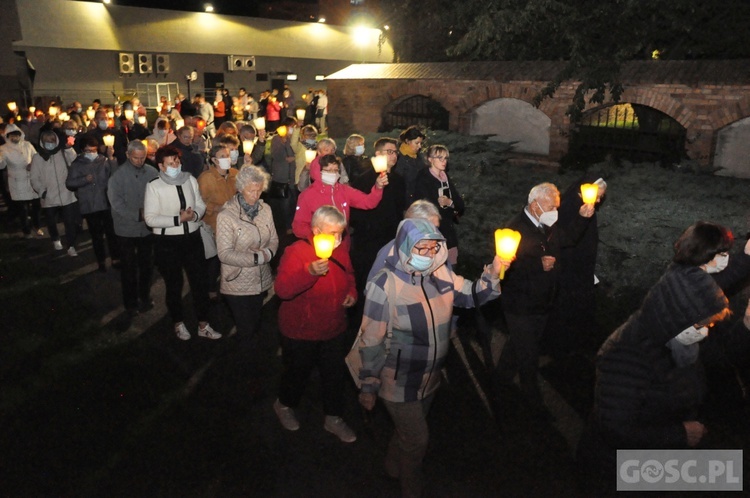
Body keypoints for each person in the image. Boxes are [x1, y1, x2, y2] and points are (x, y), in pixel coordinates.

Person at [354, 218, 509, 498]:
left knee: (406, 433)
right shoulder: (385, 284)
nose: (427, 254)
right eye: (419, 248)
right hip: (397, 381)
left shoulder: (442, 275)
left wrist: (494, 272)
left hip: (430, 378)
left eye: (432, 248)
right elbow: (371, 339)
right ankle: (411, 490)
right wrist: (368, 384)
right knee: (417, 440)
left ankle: (391, 467)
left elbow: (473, 295)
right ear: (404, 247)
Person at [576, 264, 735, 491]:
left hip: (657, 455)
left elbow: (721, 358)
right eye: (701, 324)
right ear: (677, 317)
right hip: (617, 468)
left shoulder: (679, 340)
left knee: (725, 475)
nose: (706, 331)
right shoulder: (625, 356)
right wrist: (681, 434)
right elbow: (614, 427)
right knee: (724, 475)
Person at [493, 182, 594, 415]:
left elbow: (567, 239)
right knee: (529, 356)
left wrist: (582, 217)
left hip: (542, 302)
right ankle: (534, 404)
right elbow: (505, 269)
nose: (554, 212)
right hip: (520, 305)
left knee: (518, 346)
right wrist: (537, 265)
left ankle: (499, 381)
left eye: (556, 207)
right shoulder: (515, 229)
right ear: (535, 205)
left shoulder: (547, 224)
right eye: (550, 207)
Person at [273, 206, 358, 443]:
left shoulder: (340, 251)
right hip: (301, 331)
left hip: (333, 327)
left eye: (341, 233)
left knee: (334, 375)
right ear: (316, 230)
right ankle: (284, 404)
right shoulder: (296, 252)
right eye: (333, 233)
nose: (338, 238)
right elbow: (282, 290)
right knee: (296, 373)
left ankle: (333, 417)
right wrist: (308, 272)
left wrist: (352, 293)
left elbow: (349, 275)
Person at [143, 145, 221, 341]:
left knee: (199, 283)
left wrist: (194, 215)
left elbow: (200, 204)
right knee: (174, 284)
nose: (176, 165)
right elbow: (150, 219)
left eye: (177, 161)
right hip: (168, 242)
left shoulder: (190, 180)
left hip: (192, 239)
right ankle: (178, 322)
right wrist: (178, 220)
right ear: (161, 166)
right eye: (171, 163)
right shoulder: (154, 186)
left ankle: (203, 324)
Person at [216, 166, 278, 379]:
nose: (256, 195)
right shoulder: (227, 215)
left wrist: (267, 253)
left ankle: (251, 363)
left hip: (260, 280)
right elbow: (224, 254)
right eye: (252, 190)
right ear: (241, 188)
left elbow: (274, 239)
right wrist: (256, 258)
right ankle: (248, 373)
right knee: (247, 329)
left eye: (260, 190)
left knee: (255, 323)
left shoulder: (266, 209)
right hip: (237, 283)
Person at [544, 176, 607, 358]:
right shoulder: (570, 208)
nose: (598, 200)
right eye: (597, 195)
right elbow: (566, 238)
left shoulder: (587, 207)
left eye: (601, 197)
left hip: (581, 270)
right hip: (568, 270)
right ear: (582, 191)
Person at [349, 137, 405, 298]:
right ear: (378, 154)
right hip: (368, 240)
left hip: (391, 238)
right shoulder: (363, 179)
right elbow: (355, 212)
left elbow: (400, 207)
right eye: (390, 152)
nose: (394, 155)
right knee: (366, 281)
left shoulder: (399, 180)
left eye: (395, 152)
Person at [108, 140, 159, 316]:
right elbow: (116, 204)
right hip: (126, 230)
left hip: (146, 229)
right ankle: (130, 302)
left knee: (146, 266)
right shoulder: (118, 176)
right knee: (129, 268)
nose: (139, 161)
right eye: (135, 158)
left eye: (142, 157)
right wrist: (138, 214)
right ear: (128, 155)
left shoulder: (152, 172)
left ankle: (145, 296)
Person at [292, 154, 387, 249]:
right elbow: (298, 227)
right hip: (318, 247)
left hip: (343, 245)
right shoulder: (307, 196)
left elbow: (368, 202)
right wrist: (321, 234)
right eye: (328, 170)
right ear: (317, 172)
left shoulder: (344, 190)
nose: (333, 173)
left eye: (335, 170)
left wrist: (378, 187)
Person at [66, 137, 120, 272]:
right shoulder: (77, 164)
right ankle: (101, 261)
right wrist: (84, 180)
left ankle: (116, 258)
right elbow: (70, 183)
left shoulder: (104, 160)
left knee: (111, 233)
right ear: (83, 150)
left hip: (105, 202)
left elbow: (116, 175)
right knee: (96, 236)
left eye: (94, 150)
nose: (91, 152)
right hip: (90, 205)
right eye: (88, 150)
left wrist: (111, 158)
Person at [29, 129, 79, 255]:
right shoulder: (37, 157)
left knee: (69, 222)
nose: (50, 144)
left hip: (66, 193)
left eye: (52, 141)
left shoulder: (62, 152)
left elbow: (75, 161)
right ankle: (55, 238)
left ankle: (71, 245)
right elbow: (34, 177)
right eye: (47, 141)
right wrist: (42, 191)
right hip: (49, 195)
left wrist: (68, 149)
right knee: (51, 220)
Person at [198, 144, 239, 300]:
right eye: (222, 156)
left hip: (233, 224)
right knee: (214, 260)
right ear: (214, 160)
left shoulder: (235, 174)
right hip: (214, 224)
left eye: (228, 155)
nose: (227, 159)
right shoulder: (206, 178)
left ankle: (229, 284)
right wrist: (216, 208)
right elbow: (199, 202)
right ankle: (210, 288)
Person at [413, 145, 465, 266]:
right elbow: (424, 206)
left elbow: (460, 205)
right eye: (439, 157)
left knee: (451, 268)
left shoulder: (445, 178)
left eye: (446, 158)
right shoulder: (423, 178)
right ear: (430, 159)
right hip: (432, 233)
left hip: (448, 231)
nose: (444, 161)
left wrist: (450, 203)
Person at [0, 124, 42, 238]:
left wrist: (33, 164)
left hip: (31, 178)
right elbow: (1, 164)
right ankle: (26, 230)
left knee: (36, 205)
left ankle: (37, 226)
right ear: (7, 136)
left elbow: (36, 157)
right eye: (12, 136)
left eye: (17, 135)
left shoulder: (27, 145)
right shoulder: (3, 149)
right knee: (23, 208)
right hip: (17, 180)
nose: (15, 138)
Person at [393, 126, 426, 205]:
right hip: (406, 202)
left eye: (421, 143)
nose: (419, 146)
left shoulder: (418, 157)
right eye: (417, 143)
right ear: (407, 141)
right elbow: (398, 184)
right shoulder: (399, 158)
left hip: (419, 200)